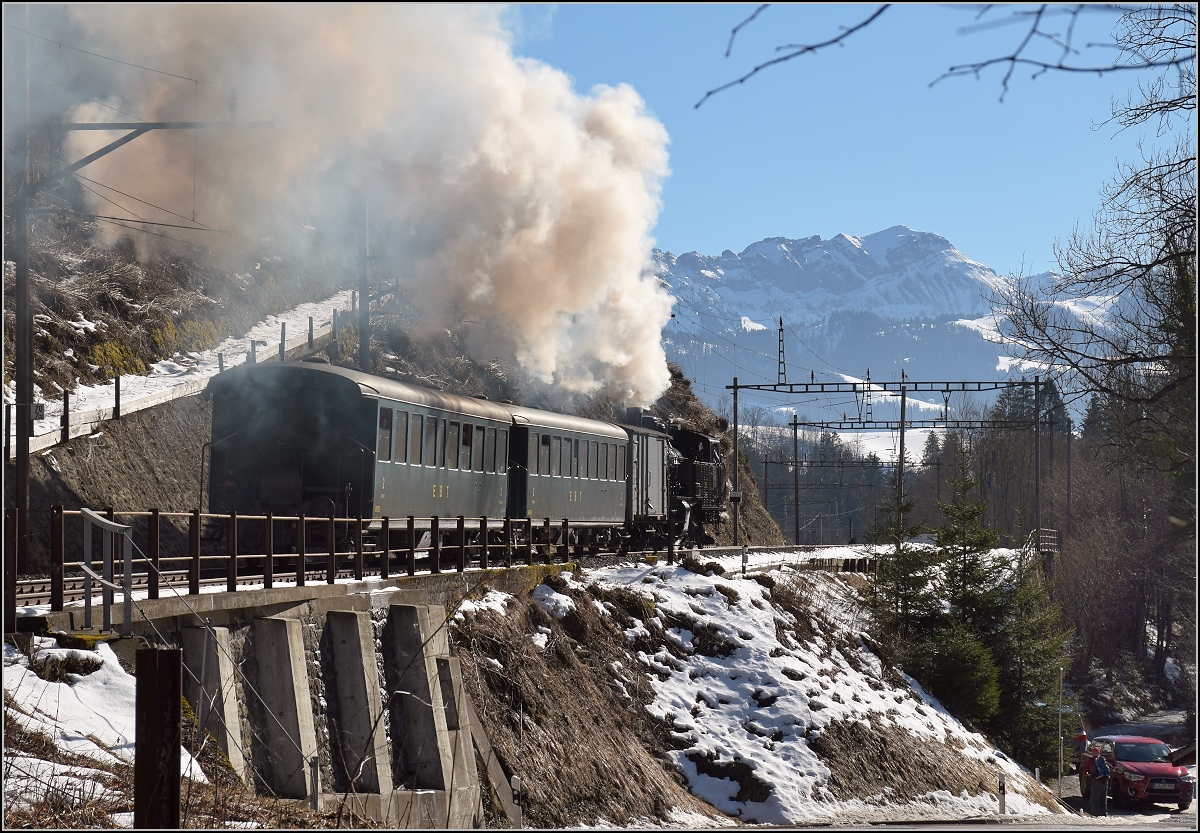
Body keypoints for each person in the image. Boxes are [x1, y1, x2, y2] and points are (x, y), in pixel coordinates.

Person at [1090, 751, 1111, 816]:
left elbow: (1086, 771)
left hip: (1096, 782)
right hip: (1105, 781)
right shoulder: (1103, 762)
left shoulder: (1092, 761)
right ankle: (1104, 814)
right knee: (1103, 799)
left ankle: (1096, 814)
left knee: (1094, 800)